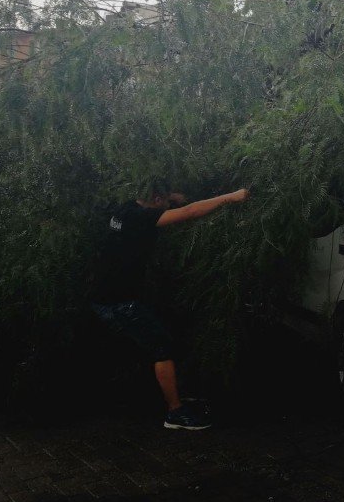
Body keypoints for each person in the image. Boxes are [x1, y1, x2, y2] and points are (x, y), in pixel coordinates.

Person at [91, 179, 249, 430]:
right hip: (119, 303)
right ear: (156, 201)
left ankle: (169, 396)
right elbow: (189, 212)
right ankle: (175, 413)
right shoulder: (143, 219)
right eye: (164, 202)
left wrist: (170, 197)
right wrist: (232, 196)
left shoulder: (125, 209)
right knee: (162, 347)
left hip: (106, 296)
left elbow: (168, 204)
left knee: (159, 338)